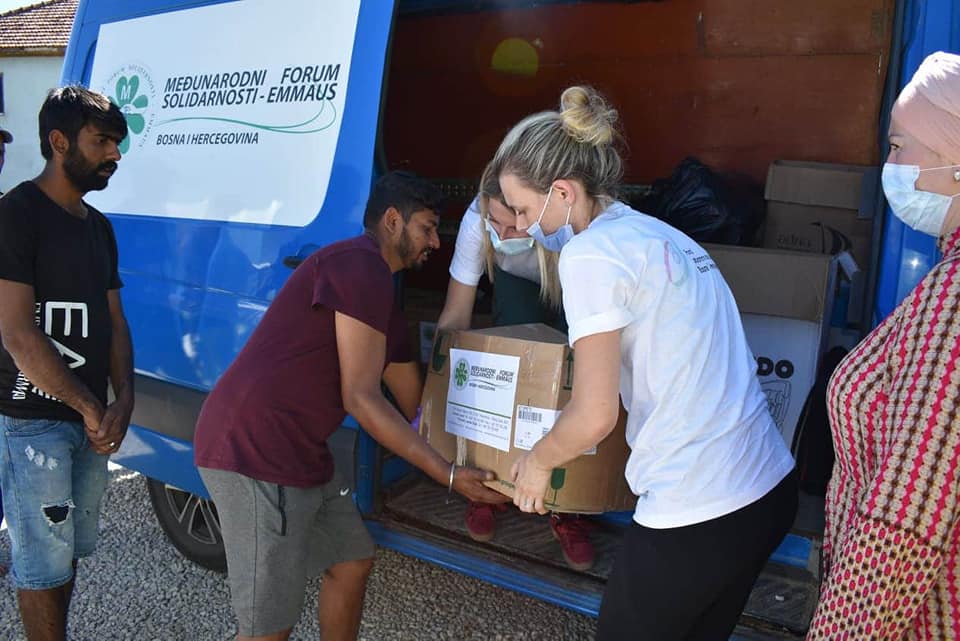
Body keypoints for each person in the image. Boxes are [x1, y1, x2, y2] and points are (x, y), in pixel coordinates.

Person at [495, 86, 797, 641]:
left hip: (699, 503)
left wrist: (539, 462)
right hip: (766, 487)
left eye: (519, 208)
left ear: (561, 191)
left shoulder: (590, 255)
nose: (518, 225)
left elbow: (594, 416)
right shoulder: (653, 232)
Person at [193, 170, 509, 641]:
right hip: (253, 451)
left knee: (352, 561)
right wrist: (445, 474)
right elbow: (360, 399)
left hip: (300, 451)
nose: (435, 243)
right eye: (426, 228)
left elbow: (418, 412)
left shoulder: (383, 301)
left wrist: (486, 457)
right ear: (392, 220)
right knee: (268, 626)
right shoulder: (358, 265)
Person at [806, 51, 960, 641]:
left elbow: (908, 510)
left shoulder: (954, 295)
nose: (887, 165)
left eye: (899, 148)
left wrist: (841, 633)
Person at [0, 86, 132, 641]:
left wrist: (124, 399)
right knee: (40, 562)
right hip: (33, 421)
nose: (114, 155)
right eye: (102, 141)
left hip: (89, 421)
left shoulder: (99, 226)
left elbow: (115, 322)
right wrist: (87, 404)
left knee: (69, 553)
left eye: (118, 144)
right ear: (58, 142)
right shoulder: (16, 214)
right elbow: (16, 332)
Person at [437, 161, 596, 571]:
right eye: (495, 222)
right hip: (516, 281)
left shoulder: (575, 230)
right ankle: (493, 486)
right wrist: (438, 398)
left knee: (573, 379)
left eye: (515, 223)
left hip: (570, 282)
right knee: (504, 374)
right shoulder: (480, 221)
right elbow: (455, 318)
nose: (503, 233)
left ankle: (570, 505)